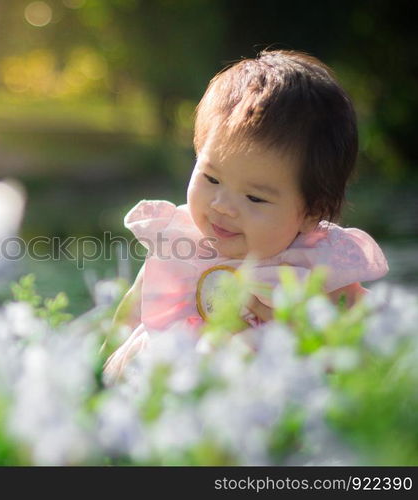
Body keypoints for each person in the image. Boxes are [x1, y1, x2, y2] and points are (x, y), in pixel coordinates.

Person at [104, 50, 389, 381]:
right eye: (211, 178)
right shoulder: (178, 242)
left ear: (313, 211)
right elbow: (126, 320)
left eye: (254, 197)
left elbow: (371, 356)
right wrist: (98, 379)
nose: (222, 205)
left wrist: (313, 345)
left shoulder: (318, 269)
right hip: (158, 392)